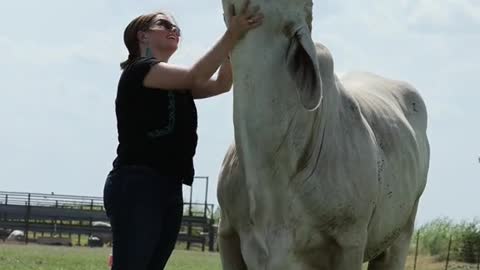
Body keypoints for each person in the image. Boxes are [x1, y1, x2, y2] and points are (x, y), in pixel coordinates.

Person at [102, 1, 263, 270]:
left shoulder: (174, 82)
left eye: (176, 27)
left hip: (169, 186)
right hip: (138, 184)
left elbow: (222, 84)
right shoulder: (139, 69)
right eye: (164, 24)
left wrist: (233, 48)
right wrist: (232, 33)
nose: (174, 29)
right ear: (142, 36)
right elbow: (195, 75)